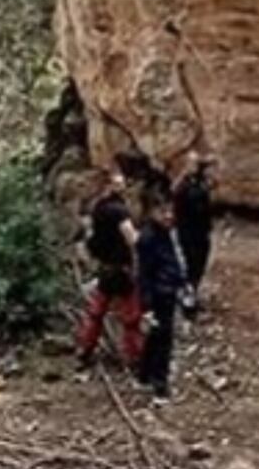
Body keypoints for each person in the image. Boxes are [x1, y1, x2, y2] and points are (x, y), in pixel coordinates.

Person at [74, 172, 141, 372]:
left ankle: (84, 351)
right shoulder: (119, 211)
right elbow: (131, 238)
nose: (124, 186)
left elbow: (92, 237)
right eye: (120, 183)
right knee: (131, 316)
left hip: (105, 268)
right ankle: (135, 358)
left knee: (96, 312)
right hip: (121, 269)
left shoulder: (98, 208)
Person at [136, 202, 188, 404]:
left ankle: (145, 375)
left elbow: (174, 260)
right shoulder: (148, 238)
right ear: (152, 212)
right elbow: (144, 275)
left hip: (167, 290)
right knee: (163, 340)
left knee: (155, 337)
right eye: (163, 211)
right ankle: (160, 386)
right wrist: (146, 305)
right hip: (158, 295)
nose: (168, 216)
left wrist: (182, 281)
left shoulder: (166, 233)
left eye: (171, 211)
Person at [171, 153, 216, 311]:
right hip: (188, 231)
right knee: (191, 264)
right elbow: (176, 194)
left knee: (200, 264)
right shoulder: (184, 185)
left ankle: (193, 293)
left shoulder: (200, 182)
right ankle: (187, 298)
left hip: (201, 230)